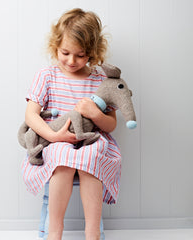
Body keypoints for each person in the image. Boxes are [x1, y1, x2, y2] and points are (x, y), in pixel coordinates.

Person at [21, 8, 121, 240]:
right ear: (56, 46)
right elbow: (31, 116)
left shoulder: (100, 80)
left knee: (90, 158)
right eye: (65, 53)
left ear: (92, 53)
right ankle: (55, 230)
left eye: (80, 55)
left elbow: (110, 125)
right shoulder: (47, 76)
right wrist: (54, 136)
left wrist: (95, 114)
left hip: (90, 141)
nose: (71, 61)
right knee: (62, 157)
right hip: (54, 139)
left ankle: (92, 231)